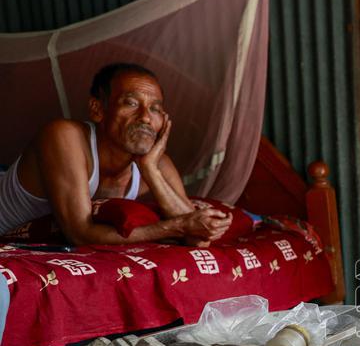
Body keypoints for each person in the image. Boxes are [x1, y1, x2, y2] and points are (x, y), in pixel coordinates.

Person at [0, 62, 230, 245]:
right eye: (131, 103)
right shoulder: (64, 136)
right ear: (98, 110)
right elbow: (79, 235)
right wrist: (175, 227)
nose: (145, 117)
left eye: (155, 109)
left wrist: (150, 170)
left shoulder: (157, 163)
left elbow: (198, 237)